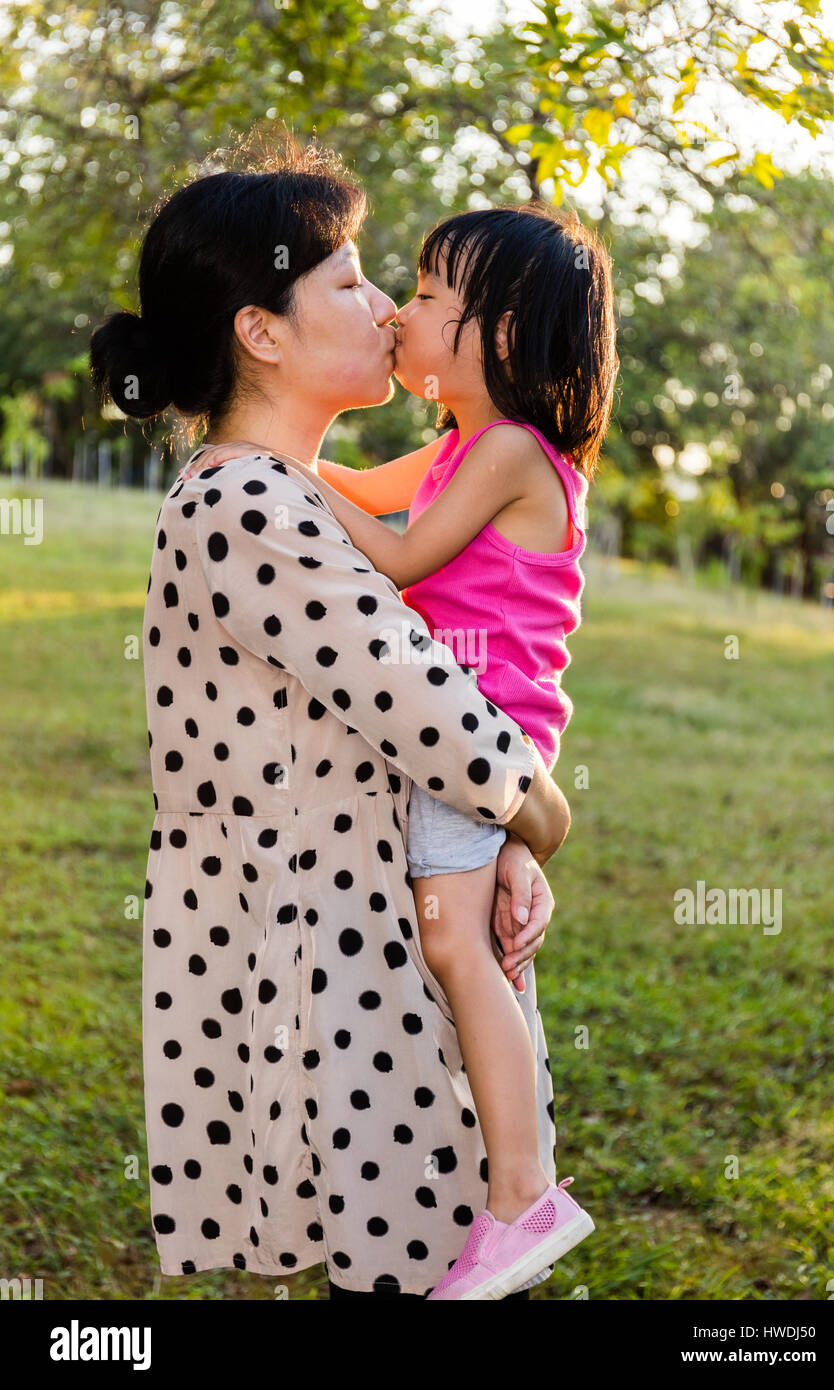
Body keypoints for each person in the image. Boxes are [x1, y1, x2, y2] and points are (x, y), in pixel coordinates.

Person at [89, 133, 571, 1300]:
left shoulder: (281, 491)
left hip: (374, 924)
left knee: (443, 1249)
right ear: (262, 330)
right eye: (352, 283)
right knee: (410, 1257)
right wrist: (539, 812)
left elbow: (429, 698)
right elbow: (429, 707)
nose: (385, 311)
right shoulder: (246, 502)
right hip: (330, 969)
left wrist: (498, 833)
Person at [179, 202, 618, 1299]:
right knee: (474, 951)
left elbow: (395, 549)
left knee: (460, 952)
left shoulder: (510, 450)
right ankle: (510, 1181)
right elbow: (354, 490)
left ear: (503, 336)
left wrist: (262, 473)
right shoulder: (465, 448)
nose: (402, 314)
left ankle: (522, 1191)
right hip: (475, 740)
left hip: (474, 740)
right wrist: (261, 454)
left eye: (426, 297)